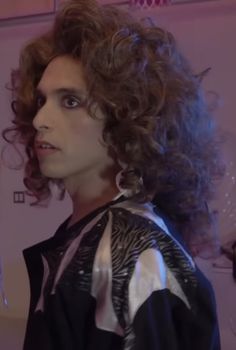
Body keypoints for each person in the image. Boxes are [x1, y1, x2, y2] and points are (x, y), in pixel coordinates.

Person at [3, 0, 224, 349]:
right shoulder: (92, 231)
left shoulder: (127, 249)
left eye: (70, 101)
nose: (40, 120)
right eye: (42, 100)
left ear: (126, 118)